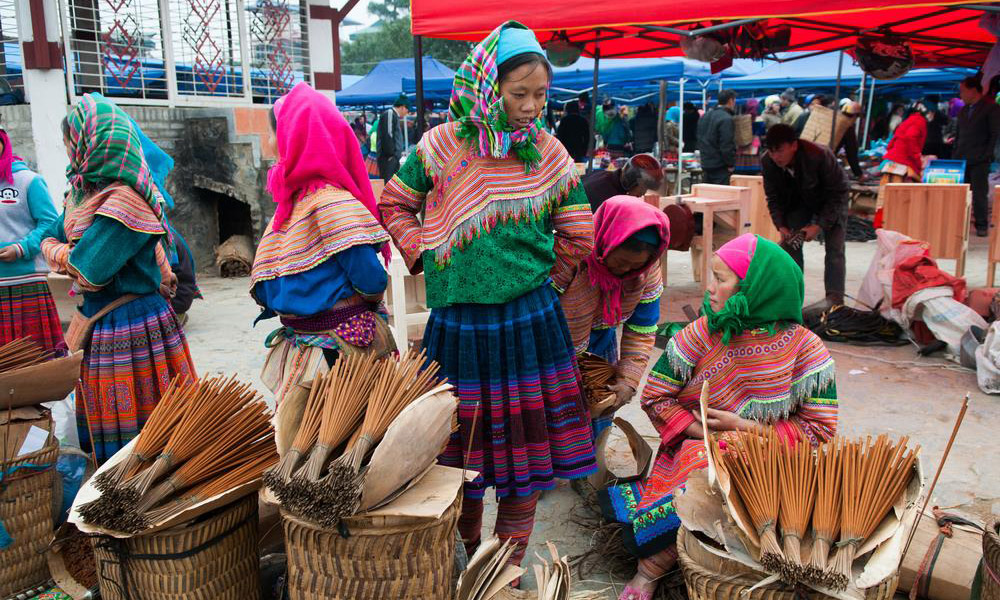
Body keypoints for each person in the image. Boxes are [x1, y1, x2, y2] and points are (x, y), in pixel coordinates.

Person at [378, 21, 597, 570]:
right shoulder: (441, 147)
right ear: (485, 86)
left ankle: (508, 569)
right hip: (459, 327)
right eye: (518, 93)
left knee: (526, 457)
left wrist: (545, 285)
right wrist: (427, 256)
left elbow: (578, 232)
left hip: (529, 325)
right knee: (463, 454)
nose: (530, 106)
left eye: (541, 94)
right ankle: (474, 558)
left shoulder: (548, 154)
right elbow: (395, 204)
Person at [601, 233, 838, 600]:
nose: (709, 289)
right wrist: (702, 433)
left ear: (756, 287)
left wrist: (746, 429)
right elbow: (656, 397)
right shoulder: (701, 334)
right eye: (711, 277)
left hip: (773, 460)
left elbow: (821, 429)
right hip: (699, 451)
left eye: (721, 280)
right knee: (704, 476)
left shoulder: (805, 348)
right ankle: (648, 571)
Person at [42, 93, 195, 463]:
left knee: (147, 426)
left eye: (68, 142)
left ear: (89, 143)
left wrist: (55, 251)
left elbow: (89, 270)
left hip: (132, 326)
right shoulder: (84, 193)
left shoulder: (126, 200)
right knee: (111, 421)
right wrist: (58, 247)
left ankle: (146, 495)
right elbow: (53, 231)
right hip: (103, 324)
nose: (67, 151)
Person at [251, 83, 396, 404]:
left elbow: (371, 278)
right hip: (309, 352)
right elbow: (370, 282)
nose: (270, 143)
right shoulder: (297, 204)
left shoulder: (326, 205)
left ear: (294, 137)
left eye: (273, 133)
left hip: (339, 356)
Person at [557, 196, 669, 436]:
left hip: (601, 349)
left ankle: (587, 471)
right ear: (604, 241)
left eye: (634, 267)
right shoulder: (570, 255)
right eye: (619, 262)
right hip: (553, 349)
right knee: (556, 425)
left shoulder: (646, 270)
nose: (624, 272)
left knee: (595, 423)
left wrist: (628, 379)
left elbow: (642, 328)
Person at [761, 124, 849, 305]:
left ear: (794, 145)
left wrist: (818, 225)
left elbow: (838, 194)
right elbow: (773, 197)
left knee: (835, 250)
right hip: (798, 203)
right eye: (771, 151)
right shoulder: (768, 162)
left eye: (779, 151)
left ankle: (835, 299)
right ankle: (792, 298)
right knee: (790, 246)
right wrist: (782, 226)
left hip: (831, 200)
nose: (775, 156)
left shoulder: (819, 155)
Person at [0, 128, 65, 353]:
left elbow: (50, 224)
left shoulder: (28, 181)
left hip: (25, 283)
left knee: (34, 358)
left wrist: (21, 248)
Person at [954, 75, 1000, 236]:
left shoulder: (991, 108)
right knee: (961, 194)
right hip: (962, 158)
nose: (961, 94)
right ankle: (962, 223)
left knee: (979, 193)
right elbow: (958, 134)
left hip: (980, 159)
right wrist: (955, 154)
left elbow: (995, 134)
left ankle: (981, 225)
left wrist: (987, 155)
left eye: (963, 91)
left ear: (973, 90)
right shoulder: (963, 110)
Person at [582, 154, 664, 211]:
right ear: (631, 181)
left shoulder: (609, 177)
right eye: (644, 187)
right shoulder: (609, 196)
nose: (643, 193)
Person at [879, 104, 928, 192]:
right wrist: (917, 158)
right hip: (904, 163)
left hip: (892, 161)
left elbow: (892, 142)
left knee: (885, 196)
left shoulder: (907, 121)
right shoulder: (919, 121)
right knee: (902, 197)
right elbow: (911, 137)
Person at [697, 89, 737, 185]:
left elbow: (699, 138)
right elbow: (726, 145)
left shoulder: (705, 116)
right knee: (721, 196)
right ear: (731, 101)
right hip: (720, 166)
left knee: (707, 197)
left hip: (705, 163)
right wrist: (730, 163)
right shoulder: (726, 119)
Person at [376, 94, 409, 182]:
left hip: (392, 157)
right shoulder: (390, 113)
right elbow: (388, 134)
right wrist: (390, 154)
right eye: (407, 109)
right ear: (402, 107)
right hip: (388, 158)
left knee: (391, 183)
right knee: (388, 183)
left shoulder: (393, 115)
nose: (407, 112)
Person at [836, 100, 865, 179]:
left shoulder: (832, 120)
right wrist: (859, 174)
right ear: (855, 116)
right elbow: (851, 153)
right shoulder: (848, 128)